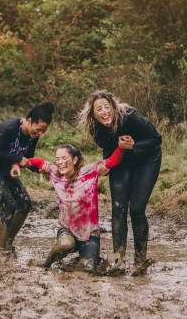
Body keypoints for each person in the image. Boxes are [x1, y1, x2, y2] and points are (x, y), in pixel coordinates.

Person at [78, 90, 162, 276]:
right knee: (118, 207)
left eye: (107, 107)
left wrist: (133, 146)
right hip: (122, 162)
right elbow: (108, 148)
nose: (104, 112)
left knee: (137, 209)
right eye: (98, 109)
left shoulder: (130, 117)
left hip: (146, 160)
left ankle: (140, 261)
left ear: (113, 107)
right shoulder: (95, 128)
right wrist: (107, 164)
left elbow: (156, 139)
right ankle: (119, 260)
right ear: (92, 114)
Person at [0, 102, 54, 262]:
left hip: (5, 169)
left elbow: (26, 158)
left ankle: (7, 244)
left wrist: (40, 168)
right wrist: (17, 160)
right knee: (8, 205)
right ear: (29, 120)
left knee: (25, 203)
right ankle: (0, 253)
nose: (40, 133)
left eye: (44, 131)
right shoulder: (9, 127)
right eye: (39, 129)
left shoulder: (33, 136)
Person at [27, 143, 124, 270]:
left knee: (88, 268)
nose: (60, 162)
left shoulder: (89, 172)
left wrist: (122, 147)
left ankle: (79, 260)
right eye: (57, 159)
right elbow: (39, 162)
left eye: (64, 158)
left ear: (75, 159)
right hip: (67, 229)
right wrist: (18, 162)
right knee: (66, 243)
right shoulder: (55, 173)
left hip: (90, 234)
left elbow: (111, 162)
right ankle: (46, 263)